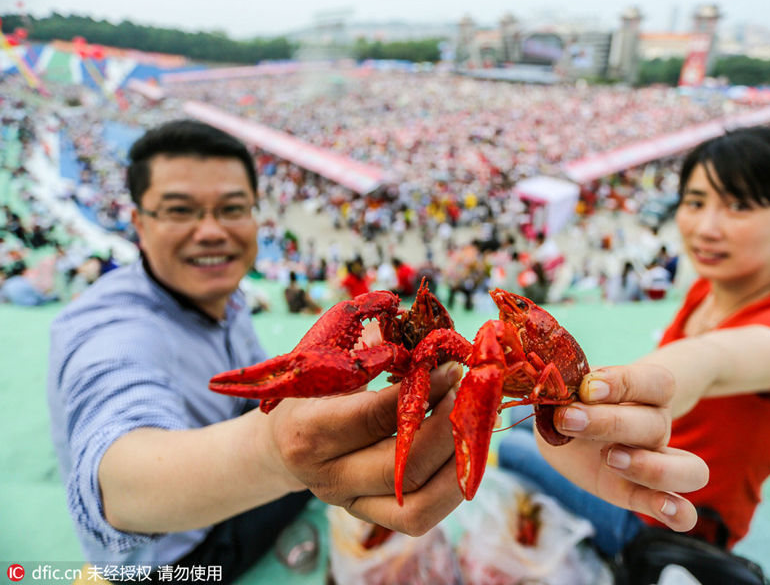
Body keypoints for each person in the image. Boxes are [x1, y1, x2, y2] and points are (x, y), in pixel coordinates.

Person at [47, 120, 708, 581]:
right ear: (135, 221)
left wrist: (564, 420)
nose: (211, 231)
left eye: (232, 207)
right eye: (179, 210)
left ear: (257, 214)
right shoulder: (109, 330)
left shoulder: (225, 297)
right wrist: (271, 450)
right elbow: (118, 480)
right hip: (178, 560)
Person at [501, 126, 770, 557]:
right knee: (527, 420)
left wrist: (635, 388)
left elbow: (708, 360)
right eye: (695, 202)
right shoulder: (707, 290)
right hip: (631, 472)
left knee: (511, 445)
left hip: (665, 520)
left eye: (739, 206)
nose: (706, 228)